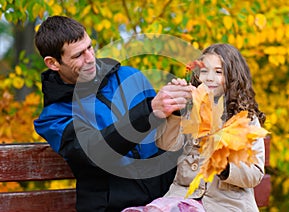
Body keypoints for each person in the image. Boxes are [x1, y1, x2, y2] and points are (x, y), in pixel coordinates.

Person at [33, 15, 193, 212]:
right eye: (78, 55)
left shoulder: (130, 76)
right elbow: (96, 152)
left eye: (90, 47)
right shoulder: (54, 117)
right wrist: (149, 111)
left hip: (163, 202)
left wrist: (176, 109)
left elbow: (164, 139)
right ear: (53, 63)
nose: (90, 58)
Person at [123, 43, 266, 212]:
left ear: (233, 77)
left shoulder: (246, 120)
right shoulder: (191, 112)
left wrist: (223, 165)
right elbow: (166, 144)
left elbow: (254, 174)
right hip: (182, 198)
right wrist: (176, 112)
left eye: (218, 72)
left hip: (226, 205)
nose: (209, 78)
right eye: (204, 71)